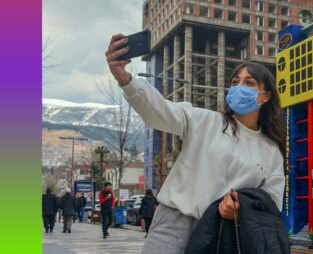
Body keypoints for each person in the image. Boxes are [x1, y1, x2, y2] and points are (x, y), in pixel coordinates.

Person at [106, 34, 286, 254]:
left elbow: (271, 205)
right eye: (234, 82)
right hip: (173, 226)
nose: (239, 87)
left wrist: (240, 211)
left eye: (249, 83)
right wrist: (125, 79)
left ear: (266, 96)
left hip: (224, 234)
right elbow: (160, 112)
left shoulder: (271, 151)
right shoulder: (205, 120)